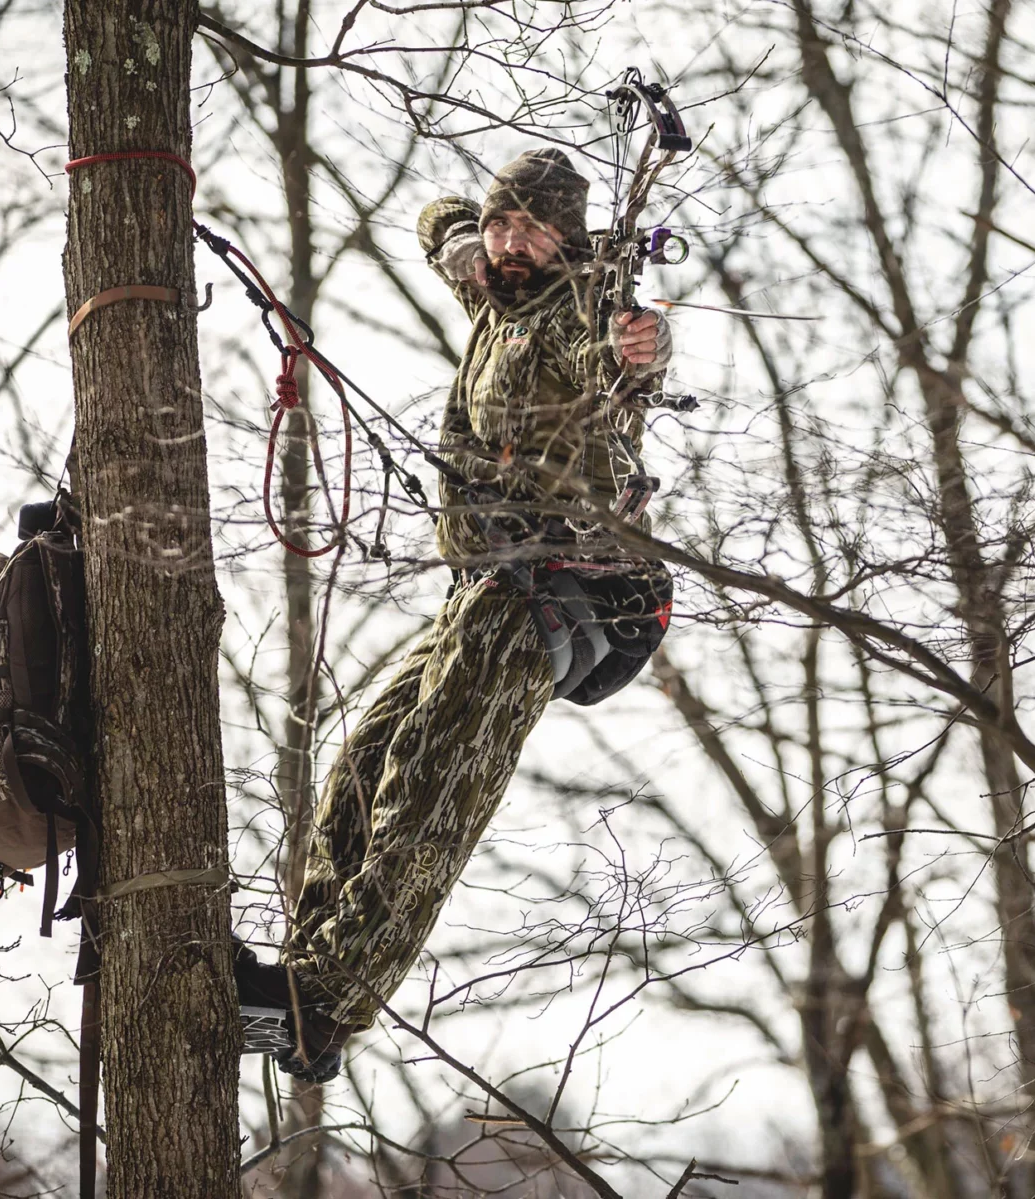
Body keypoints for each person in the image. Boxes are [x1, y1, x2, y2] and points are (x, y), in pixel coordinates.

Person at [234, 148, 673, 1082]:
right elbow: (439, 221)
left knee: (431, 775)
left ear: (570, 237)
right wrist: (471, 235)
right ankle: (302, 995)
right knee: (363, 759)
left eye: (532, 230)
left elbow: (618, 357)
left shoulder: (570, 313)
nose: (513, 245)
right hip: (488, 589)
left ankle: (329, 999)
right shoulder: (494, 296)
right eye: (504, 227)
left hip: (566, 591)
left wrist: (637, 347)